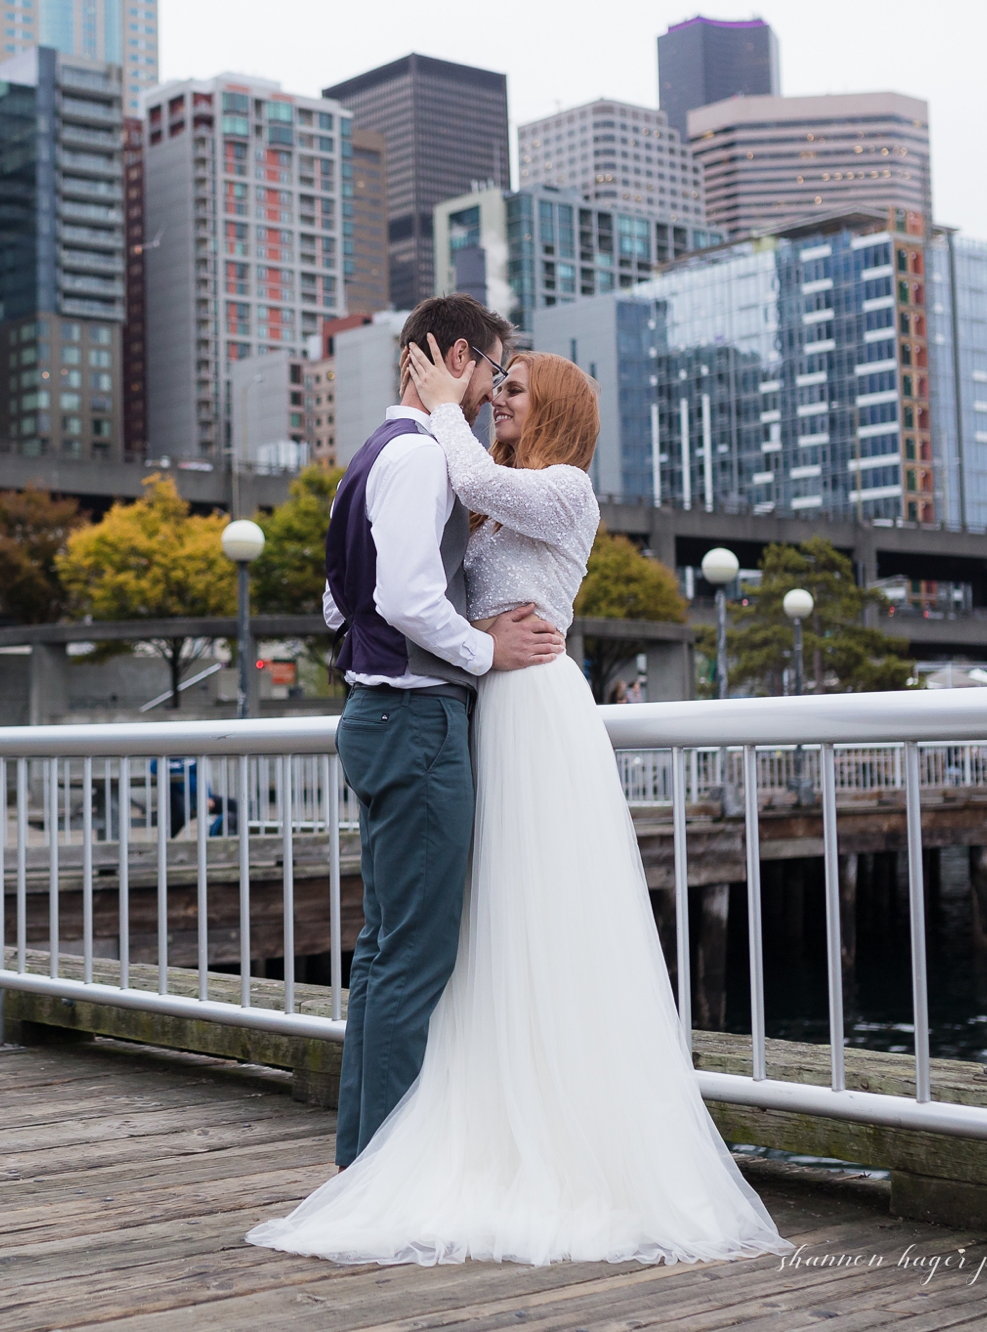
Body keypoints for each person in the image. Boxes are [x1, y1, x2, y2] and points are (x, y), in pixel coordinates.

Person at [247, 337, 791, 1267]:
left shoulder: (564, 490)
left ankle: (553, 1130)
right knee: (477, 924)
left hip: (535, 710)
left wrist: (439, 402)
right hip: (480, 705)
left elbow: (467, 475)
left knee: (540, 915)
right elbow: (427, 581)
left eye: (519, 390)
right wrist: (470, 619)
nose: (500, 398)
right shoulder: (487, 496)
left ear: (560, 411)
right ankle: (455, 1122)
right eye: (497, 383)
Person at [309, 295, 568, 1179]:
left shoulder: (370, 456)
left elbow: (340, 602)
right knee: (415, 958)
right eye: (493, 370)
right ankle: (389, 1178)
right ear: (458, 358)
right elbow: (409, 598)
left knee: (385, 952)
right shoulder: (421, 457)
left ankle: (363, 1164)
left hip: (379, 714)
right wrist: (484, 649)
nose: (495, 389)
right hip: (417, 719)